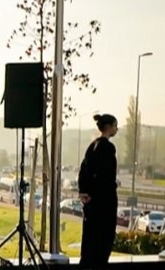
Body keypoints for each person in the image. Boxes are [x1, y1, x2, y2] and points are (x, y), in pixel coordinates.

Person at [78, 112, 119, 269]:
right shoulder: (108, 148)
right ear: (108, 127)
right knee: (103, 243)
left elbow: (84, 171)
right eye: (115, 126)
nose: (116, 129)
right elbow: (106, 177)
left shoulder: (92, 146)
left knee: (89, 243)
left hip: (91, 204)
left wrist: (84, 192)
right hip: (104, 204)